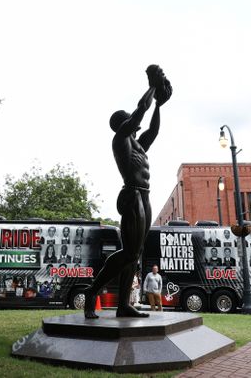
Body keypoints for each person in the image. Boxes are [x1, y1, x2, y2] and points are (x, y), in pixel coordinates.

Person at [83, 65, 172, 319]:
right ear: (123, 123)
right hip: (132, 194)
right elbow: (138, 114)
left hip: (144, 194)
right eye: (130, 120)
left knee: (136, 253)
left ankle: (123, 304)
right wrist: (153, 86)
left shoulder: (138, 145)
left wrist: (159, 106)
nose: (134, 123)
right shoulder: (121, 139)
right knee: (130, 252)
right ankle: (93, 292)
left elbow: (152, 131)